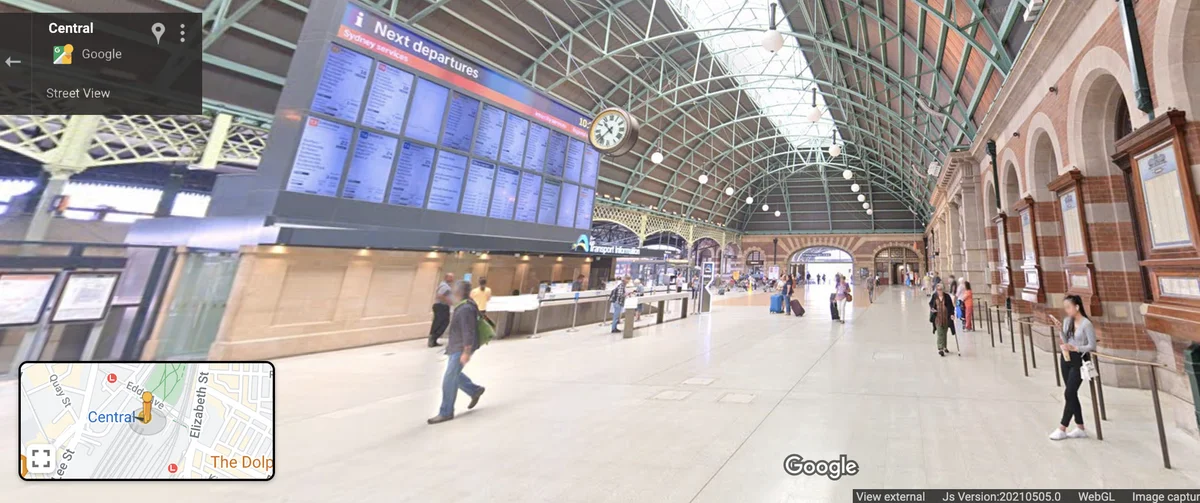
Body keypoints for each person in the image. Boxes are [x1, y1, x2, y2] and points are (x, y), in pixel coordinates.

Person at [427, 281, 485, 424]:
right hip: (457, 346)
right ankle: (474, 390)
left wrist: (466, 351)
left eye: (453, 291)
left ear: (459, 292)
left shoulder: (465, 308)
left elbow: (468, 330)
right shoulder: (464, 305)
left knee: (449, 378)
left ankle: (446, 411)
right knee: (453, 375)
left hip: (461, 348)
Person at [1048, 295, 1097, 440]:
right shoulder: (1067, 321)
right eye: (1065, 308)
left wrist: (1076, 347)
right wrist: (1060, 330)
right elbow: (1065, 339)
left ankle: (1062, 427)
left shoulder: (1086, 324)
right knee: (1071, 393)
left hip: (1079, 359)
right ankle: (1080, 427)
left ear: (1077, 307)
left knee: (1069, 393)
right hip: (1065, 357)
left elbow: (1092, 345)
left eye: (1069, 307)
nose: (1067, 310)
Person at [428, 273, 454, 347]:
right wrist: (448, 301)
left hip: (441, 306)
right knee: (442, 322)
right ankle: (433, 337)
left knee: (438, 322)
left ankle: (434, 339)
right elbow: (439, 295)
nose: (452, 279)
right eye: (451, 277)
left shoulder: (444, 285)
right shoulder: (445, 286)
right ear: (446, 277)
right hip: (441, 306)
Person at [929, 282, 954, 356]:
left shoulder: (947, 296)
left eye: (940, 289)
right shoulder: (934, 296)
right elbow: (931, 304)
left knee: (944, 333)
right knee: (940, 333)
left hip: (946, 318)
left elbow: (951, 307)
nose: (939, 291)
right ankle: (940, 348)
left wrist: (952, 314)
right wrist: (932, 309)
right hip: (937, 318)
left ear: (943, 290)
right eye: (937, 289)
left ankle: (944, 346)